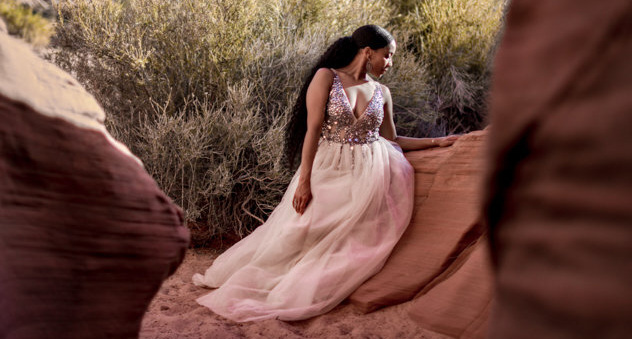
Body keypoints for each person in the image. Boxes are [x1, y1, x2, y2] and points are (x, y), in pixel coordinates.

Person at [192, 25, 458, 321]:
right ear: (368, 52)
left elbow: (392, 139)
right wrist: (304, 182)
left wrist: (438, 142)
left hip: (370, 173)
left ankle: (312, 285)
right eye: (388, 55)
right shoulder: (327, 77)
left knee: (352, 238)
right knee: (299, 230)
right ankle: (265, 282)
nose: (390, 63)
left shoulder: (382, 92)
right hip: (328, 167)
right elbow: (313, 130)